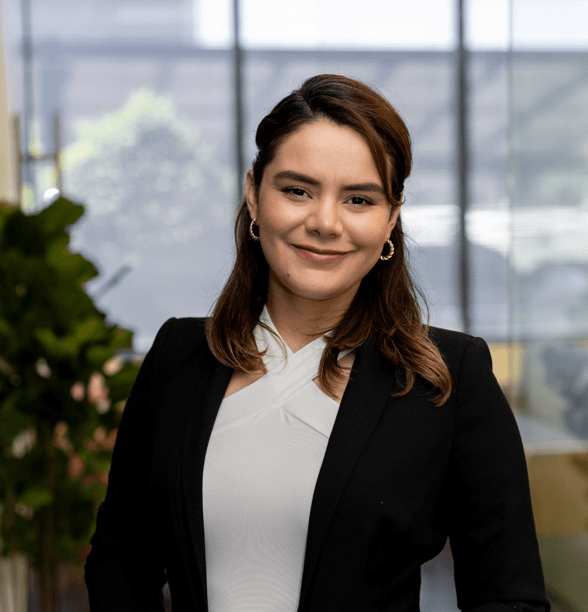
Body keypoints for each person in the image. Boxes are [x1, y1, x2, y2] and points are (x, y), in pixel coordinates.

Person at [85, 74, 550, 612]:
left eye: (359, 199)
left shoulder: (448, 378)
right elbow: (121, 556)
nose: (325, 223)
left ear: (391, 219)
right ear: (253, 195)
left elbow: (509, 597)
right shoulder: (178, 355)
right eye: (297, 191)